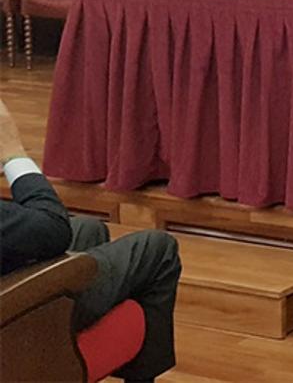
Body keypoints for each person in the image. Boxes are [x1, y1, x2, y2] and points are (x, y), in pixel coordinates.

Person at [0, 99, 181, 382]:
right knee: (157, 249)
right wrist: (13, 153)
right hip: (14, 316)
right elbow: (52, 227)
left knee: (88, 230)